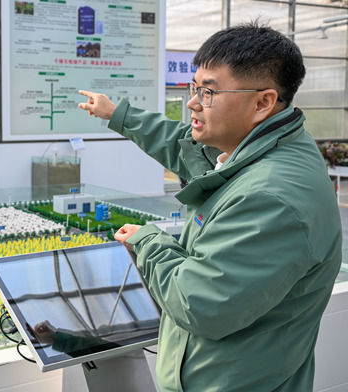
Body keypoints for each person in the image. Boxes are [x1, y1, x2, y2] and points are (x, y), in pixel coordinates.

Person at [78, 23, 342, 391]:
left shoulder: (270, 197)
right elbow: (186, 148)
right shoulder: (266, 147)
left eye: (209, 92)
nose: (193, 103)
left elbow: (198, 304)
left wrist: (149, 242)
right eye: (194, 88)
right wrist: (117, 114)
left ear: (263, 102)